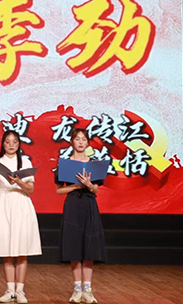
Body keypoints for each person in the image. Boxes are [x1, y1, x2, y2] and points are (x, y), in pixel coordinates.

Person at [0, 131, 42, 304]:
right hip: (3, 204)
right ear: (3, 144)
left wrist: (18, 181)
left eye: (14, 142)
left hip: (21, 203)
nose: (11, 145)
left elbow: (31, 189)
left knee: (22, 250)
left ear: (19, 144)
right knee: (7, 250)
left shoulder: (25, 162)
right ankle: (10, 290)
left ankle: (20, 291)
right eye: (7, 142)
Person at [55, 128, 107, 304]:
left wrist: (89, 184)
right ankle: (77, 289)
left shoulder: (93, 164)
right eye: (77, 139)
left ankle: (88, 290)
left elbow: (96, 189)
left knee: (89, 247)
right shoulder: (65, 164)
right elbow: (59, 190)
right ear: (72, 142)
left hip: (89, 204)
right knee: (74, 247)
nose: (80, 142)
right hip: (72, 205)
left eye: (83, 139)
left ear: (88, 143)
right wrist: (76, 187)